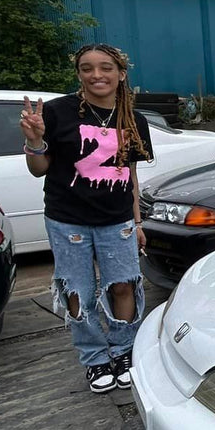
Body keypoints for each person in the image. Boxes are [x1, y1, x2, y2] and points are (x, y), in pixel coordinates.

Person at [19, 44, 153, 393]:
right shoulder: (58, 112)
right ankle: (94, 357)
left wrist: (137, 222)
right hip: (67, 219)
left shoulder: (133, 120)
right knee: (79, 292)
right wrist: (35, 141)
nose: (97, 75)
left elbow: (131, 176)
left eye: (106, 67)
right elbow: (39, 170)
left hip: (117, 219)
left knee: (123, 285)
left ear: (121, 73)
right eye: (87, 68)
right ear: (78, 74)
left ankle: (124, 350)